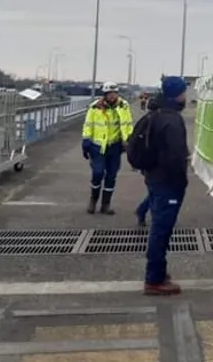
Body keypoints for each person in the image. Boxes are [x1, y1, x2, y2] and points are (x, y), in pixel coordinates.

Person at [143, 75, 191, 296]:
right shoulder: (171, 120)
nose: (185, 96)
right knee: (161, 230)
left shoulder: (156, 113)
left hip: (154, 178)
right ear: (177, 95)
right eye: (183, 92)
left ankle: (158, 272)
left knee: (159, 228)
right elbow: (175, 156)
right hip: (168, 183)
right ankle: (154, 279)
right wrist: (181, 179)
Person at [81, 81, 134, 215]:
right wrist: (86, 141)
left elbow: (128, 124)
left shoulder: (123, 106)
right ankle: (93, 200)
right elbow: (88, 124)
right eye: (109, 93)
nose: (112, 96)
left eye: (114, 93)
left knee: (111, 175)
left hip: (115, 146)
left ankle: (105, 204)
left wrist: (128, 140)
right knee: (97, 173)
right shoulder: (95, 107)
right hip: (97, 146)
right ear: (104, 94)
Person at [133, 94, 160, 228]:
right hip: (155, 163)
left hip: (146, 163)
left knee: (155, 190)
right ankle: (145, 212)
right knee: (158, 191)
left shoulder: (144, 120)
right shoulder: (156, 122)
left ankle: (144, 212)